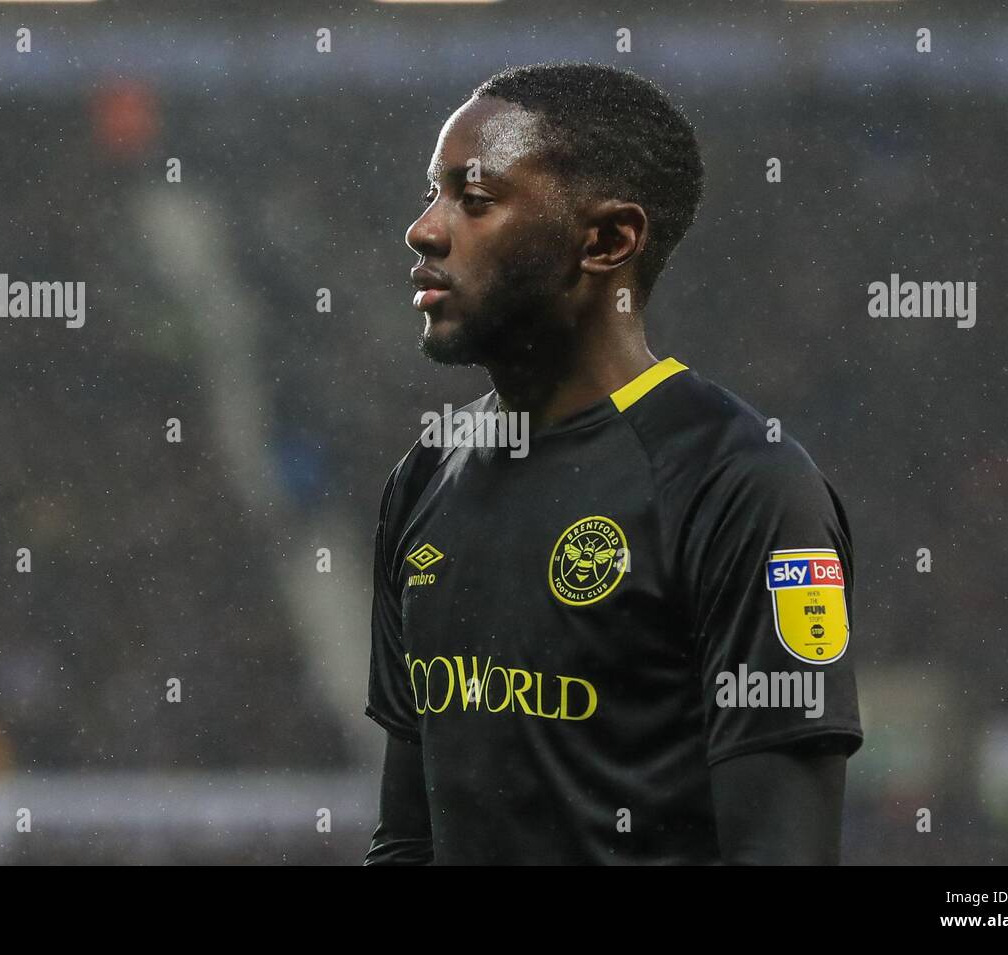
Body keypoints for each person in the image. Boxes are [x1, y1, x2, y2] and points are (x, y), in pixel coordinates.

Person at [364, 61, 862, 864]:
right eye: (434, 190)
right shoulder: (425, 474)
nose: (425, 228)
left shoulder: (744, 486)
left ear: (607, 240)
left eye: (475, 199)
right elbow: (409, 841)